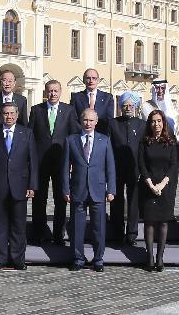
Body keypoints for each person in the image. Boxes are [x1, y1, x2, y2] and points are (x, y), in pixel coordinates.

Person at [0, 101, 38, 270]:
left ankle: (18, 258)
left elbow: (33, 162)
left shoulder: (26, 133)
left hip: (20, 185)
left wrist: (32, 185)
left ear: (17, 114)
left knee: (19, 225)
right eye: (6, 113)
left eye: (12, 113)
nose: (9, 116)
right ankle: (0, 258)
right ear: (1, 114)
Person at [63, 109, 116, 272]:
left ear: (96, 122)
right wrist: (65, 188)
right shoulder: (71, 140)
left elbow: (110, 167)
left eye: (91, 120)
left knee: (98, 227)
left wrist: (111, 189)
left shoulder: (104, 140)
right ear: (81, 121)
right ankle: (78, 258)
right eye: (85, 120)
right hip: (77, 190)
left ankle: (98, 259)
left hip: (98, 189)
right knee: (77, 228)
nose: (88, 123)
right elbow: (64, 168)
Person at [27, 80, 79, 244]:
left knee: (61, 199)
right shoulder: (36, 110)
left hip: (61, 162)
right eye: (50, 91)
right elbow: (30, 137)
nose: (53, 94)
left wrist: (72, 160)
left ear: (60, 92)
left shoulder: (69, 110)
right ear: (45, 92)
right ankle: (38, 233)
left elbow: (73, 137)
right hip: (40, 162)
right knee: (39, 200)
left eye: (55, 91)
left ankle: (58, 235)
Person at [138, 110, 179, 272]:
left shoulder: (170, 141)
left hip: (165, 186)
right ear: (149, 124)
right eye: (153, 121)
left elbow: (174, 165)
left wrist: (162, 184)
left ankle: (160, 257)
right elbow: (141, 164)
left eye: (159, 121)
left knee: (163, 222)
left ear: (164, 123)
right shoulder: (145, 141)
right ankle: (149, 256)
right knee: (149, 222)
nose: (156, 124)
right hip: (148, 185)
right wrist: (150, 184)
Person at [107, 92, 146, 246]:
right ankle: (117, 233)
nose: (128, 108)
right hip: (116, 168)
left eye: (131, 105)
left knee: (134, 202)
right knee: (116, 202)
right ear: (121, 107)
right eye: (125, 105)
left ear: (135, 107)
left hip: (135, 169)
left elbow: (144, 148)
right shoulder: (113, 123)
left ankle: (131, 234)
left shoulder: (142, 124)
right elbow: (108, 147)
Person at [70, 68, 114, 134]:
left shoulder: (107, 98)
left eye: (94, 78)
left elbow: (109, 120)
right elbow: (73, 119)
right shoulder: (76, 97)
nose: (91, 81)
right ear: (83, 80)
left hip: (101, 135)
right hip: (81, 135)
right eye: (88, 78)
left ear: (98, 80)